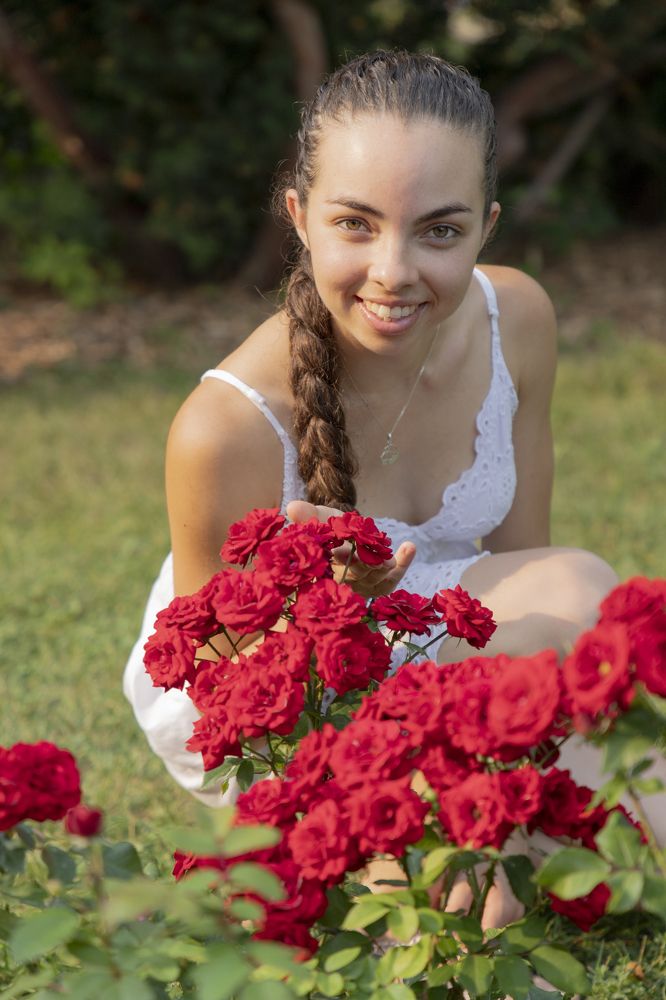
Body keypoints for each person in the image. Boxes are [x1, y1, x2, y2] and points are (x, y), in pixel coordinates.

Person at [123, 51, 626, 919]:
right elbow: (227, 704)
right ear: (300, 217)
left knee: (627, 791)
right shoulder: (225, 427)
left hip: (455, 641)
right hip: (290, 697)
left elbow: (529, 569)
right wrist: (324, 603)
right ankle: (432, 878)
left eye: (439, 231)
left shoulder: (521, 322)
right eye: (356, 224)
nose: (394, 272)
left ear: (486, 228)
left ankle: (488, 840)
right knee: (476, 901)